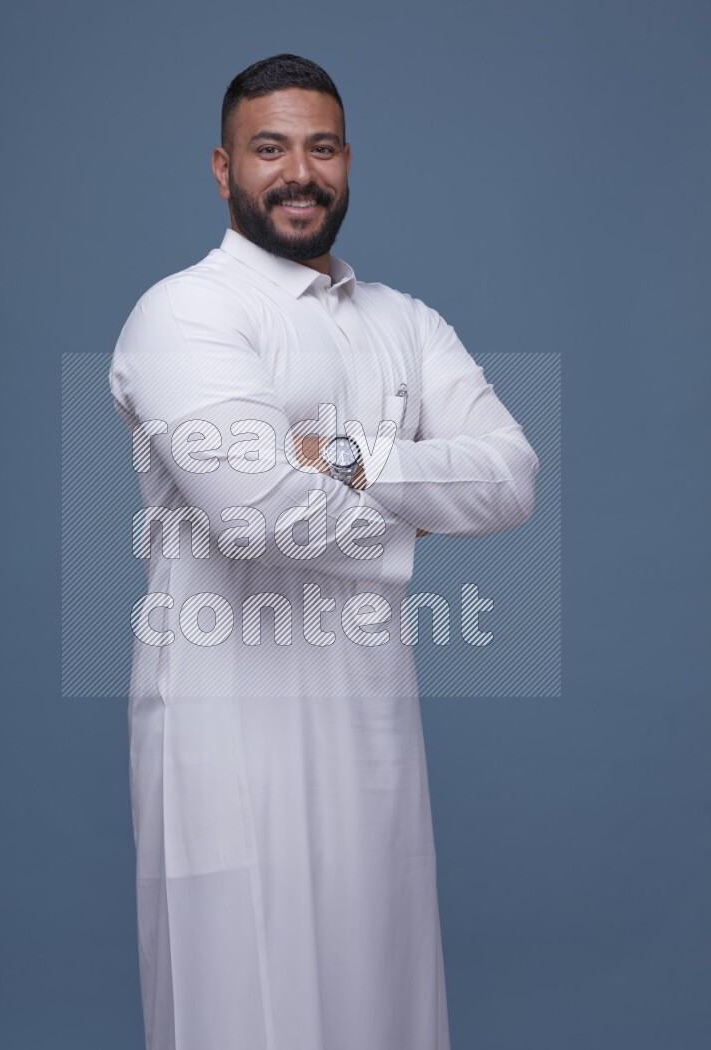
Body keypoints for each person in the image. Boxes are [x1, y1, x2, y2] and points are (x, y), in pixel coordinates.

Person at [109, 53, 538, 1050]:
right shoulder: (187, 312)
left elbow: (509, 476)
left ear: (347, 162)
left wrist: (342, 455)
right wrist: (415, 503)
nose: (297, 171)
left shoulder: (404, 322)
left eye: (320, 147)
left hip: (373, 735)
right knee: (244, 1018)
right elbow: (253, 509)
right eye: (269, 149)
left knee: (381, 1014)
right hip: (228, 738)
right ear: (223, 170)